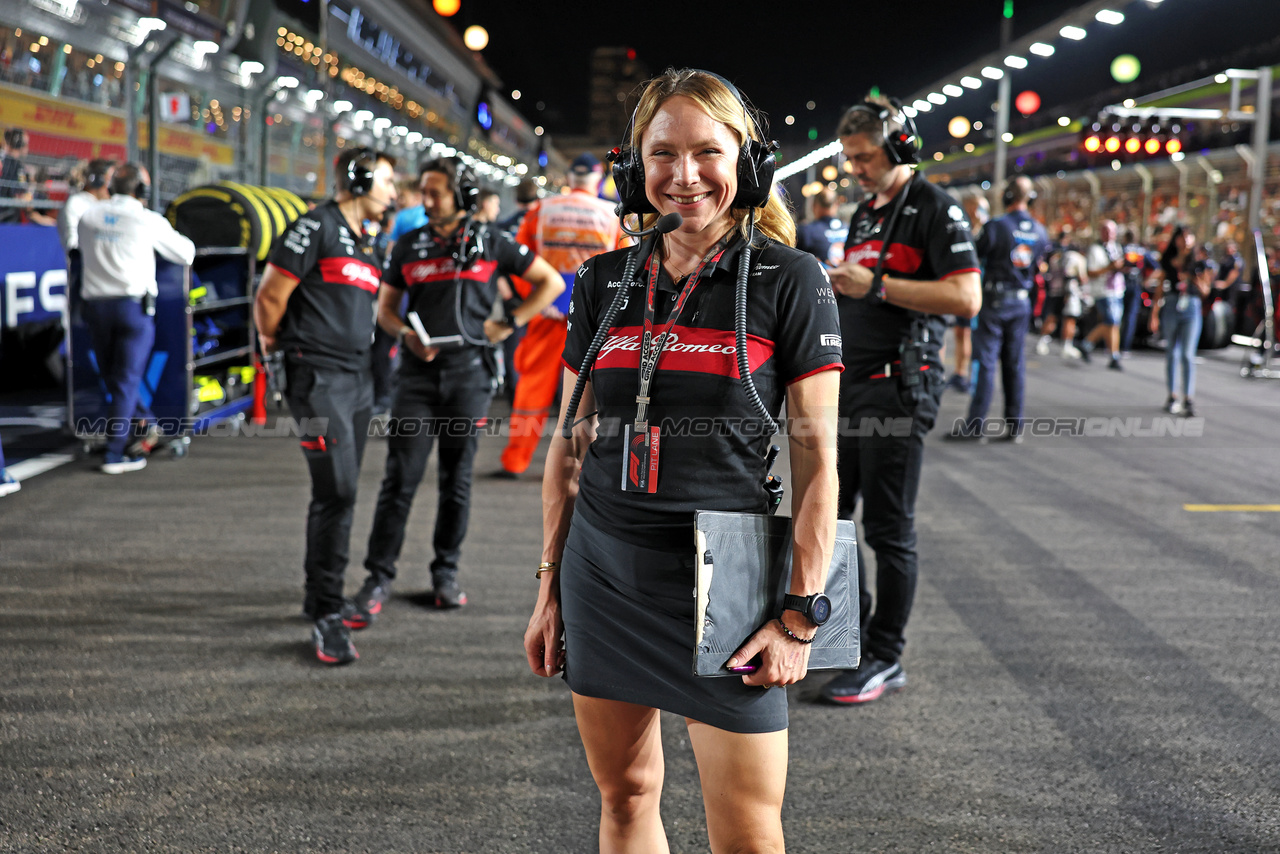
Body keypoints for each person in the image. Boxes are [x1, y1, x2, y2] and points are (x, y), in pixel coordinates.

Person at [523, 68, 841, 852]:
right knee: (626, 796)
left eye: (708, 151)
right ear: (634, 167)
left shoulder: (789, 281)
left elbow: (819, 465)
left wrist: (801, 614)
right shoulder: (601, 280)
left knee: (746, 830)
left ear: (749, 163)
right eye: (663, 153)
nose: (685, 174)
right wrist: (548, 587)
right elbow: (567, 448)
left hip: (728, 582)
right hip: (602, 568)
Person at [820, 95, 981, 705]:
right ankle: (850, 639)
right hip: (850, 384)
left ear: (900, 148)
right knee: (832, 520)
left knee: (888, 529)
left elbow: (967, 300)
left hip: (897, 387)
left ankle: (886, 655)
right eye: (850, 158)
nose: (856, 168)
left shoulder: (936, 209)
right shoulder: (865, 213)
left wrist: (877, 286)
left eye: (864, 157)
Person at [351, 158, 563, 620]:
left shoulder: (492, 242)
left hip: (470, 376)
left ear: (462, 196)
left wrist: (508, 323)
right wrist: (404, 333)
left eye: (436, 193)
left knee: (456, 480)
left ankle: (445, 573)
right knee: (399, 480)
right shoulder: (408, 245)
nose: (426, 201)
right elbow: (384, 309)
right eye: (423, 192)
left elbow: (550, 282)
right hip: (416, 378)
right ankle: (377, 577)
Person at [253, 148, 398, 665]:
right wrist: (276, 351)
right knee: (336, 490)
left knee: (339, 492)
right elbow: (270, 297)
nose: (393, 192)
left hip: (355, 380)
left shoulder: (368, 242)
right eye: (385, 181)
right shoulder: (314, 226)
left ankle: (319, 596)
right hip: (315, 377)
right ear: (358, 181)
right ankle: (328, 613)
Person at [494, 151, 623, 479]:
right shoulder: (612, 215)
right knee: (589, 394)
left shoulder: (540, 210)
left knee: (531, 389)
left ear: (569, 179)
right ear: (597, 179)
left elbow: (520, 263)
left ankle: (515, 460)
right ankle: (583, 465)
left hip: (547, 314)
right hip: (594, 322)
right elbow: (624, 268)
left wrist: (537, 302)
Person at [78, 162, 195, 474]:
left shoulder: (88, 215)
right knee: (127, 381)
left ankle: (148, 425)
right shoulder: (146, 220)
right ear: (141, 190)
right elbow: (186, 253)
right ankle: (116, 454)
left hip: (95, 308)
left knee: (114, 379)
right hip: (132, 309)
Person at [957, 176, 1049, 441]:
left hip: (994, 301)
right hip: (1021, 302)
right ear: (1030, 199)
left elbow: (973, 254)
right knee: (1015, 364)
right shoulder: (1040, 231)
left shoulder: (996, 226)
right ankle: (1015, 426)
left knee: (985, 363)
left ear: (1007, 197)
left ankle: (975, 427)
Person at [1153, 228, 1207, 417]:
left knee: (1186, 354)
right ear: (1176, 240)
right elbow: (1160, 286)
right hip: (1171, 305)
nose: (1185, 241)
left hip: (1191, 307)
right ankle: (1172, 395)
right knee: (1172, 353)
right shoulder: (1168, 262)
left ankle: (1188, 398)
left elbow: (1205, 290)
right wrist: (1154, 313)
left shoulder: (1198, 262)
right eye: (1181, 237)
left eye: (1188, 237)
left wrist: (1194, 278)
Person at [58, 158, 114, 315]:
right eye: (110, 180)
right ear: (97, 180)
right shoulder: (76, 204)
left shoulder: (107, 204)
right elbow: (73, 246)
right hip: (84, 284)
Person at [947, 189, 989, 392]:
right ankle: (960, 372)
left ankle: (971, 377)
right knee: (960, 332)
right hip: (961, 287)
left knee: (971, 334)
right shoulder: (963, 226)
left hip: (976, 289)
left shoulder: (983, 231)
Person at [1081, 219, 1126, 370]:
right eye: (1106, 231)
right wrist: (1109, 268)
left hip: (1117, 290)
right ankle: (1114, 356)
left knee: (1113, 324)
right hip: (1102, 291)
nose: (1110, 234)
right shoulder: (1095, 249)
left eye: (1112, 231)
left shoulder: (1116, 247)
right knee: (1111, 322)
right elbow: (1090, 272)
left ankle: (1087, 344)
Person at [794, 186, 848, 268]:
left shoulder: (806, 231)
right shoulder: (848, 228)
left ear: (814, 206)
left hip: (820, 278)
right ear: (836, 204)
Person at [0, 127, 29, 224]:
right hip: (7, 217)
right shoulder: (18, 167)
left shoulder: (4, 160)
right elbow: (20, 193)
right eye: (25, 144)